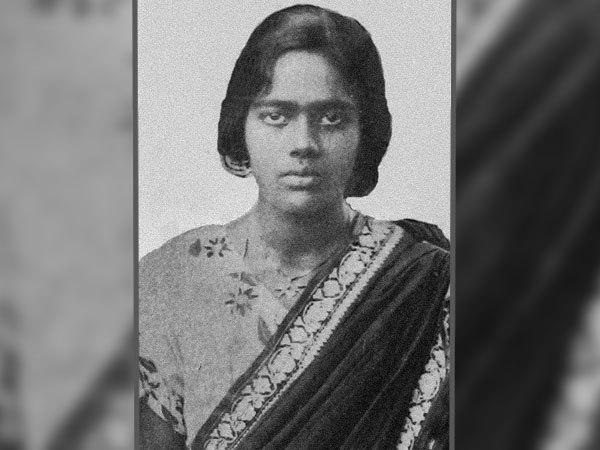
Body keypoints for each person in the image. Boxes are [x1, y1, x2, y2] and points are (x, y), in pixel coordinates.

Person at [139, 5, 450, 449]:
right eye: (276, 116)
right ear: (241, 127)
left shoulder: (426, 282)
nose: (304, 144)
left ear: (365, 133)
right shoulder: (171, 281)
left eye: (332, 118)